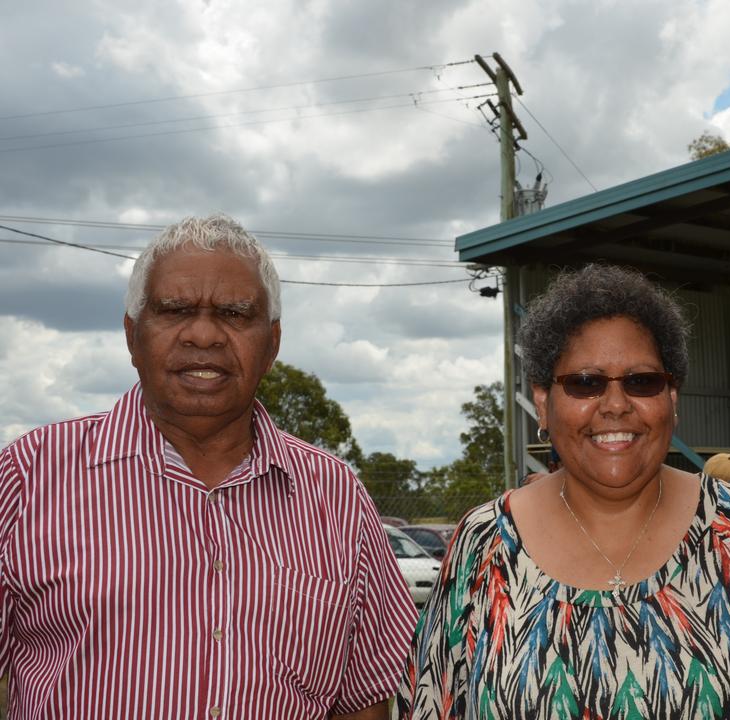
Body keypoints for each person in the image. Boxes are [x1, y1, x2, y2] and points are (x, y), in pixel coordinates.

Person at [0, 214, 417, 719]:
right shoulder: (28, 476)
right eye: (174, 310)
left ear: (273, 345)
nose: (203, 335)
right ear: (132, 335)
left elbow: (364, 699)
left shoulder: (336, 497)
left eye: (236, 313)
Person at [396, 264, 730, 719]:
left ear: (672, 399)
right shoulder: (484, 546)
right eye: (585, 383)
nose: (616, 405)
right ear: (543, 402)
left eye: (642, 382)